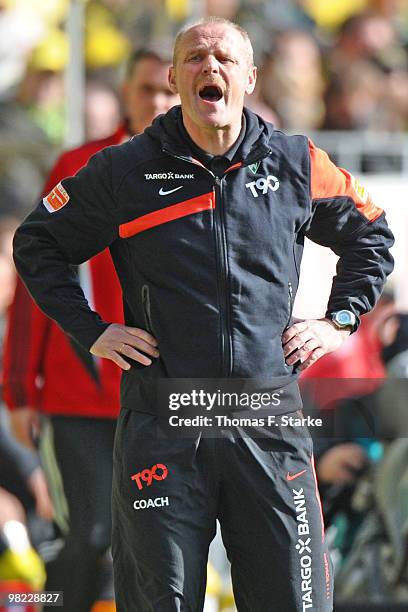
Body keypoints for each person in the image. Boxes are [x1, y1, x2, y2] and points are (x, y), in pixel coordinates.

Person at [12, 16, 394, 611]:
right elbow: (36, 245)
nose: (208, 67)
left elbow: (372, 237)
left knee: (297, 602)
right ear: (173, 77)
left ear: (249, 77)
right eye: (193, 58)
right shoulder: (124, 169)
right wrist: (93, 331)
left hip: (268, 427)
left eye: (223, 58)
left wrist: (337, 321)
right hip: (163, 429)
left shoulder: (295, 162)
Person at [4, 48, 178, 612]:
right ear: (125, 93)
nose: (156, 101)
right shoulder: (80, 165)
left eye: (167, 90)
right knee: (90, 535)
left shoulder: (206, 169)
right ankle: (50, 604)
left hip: (165, 397)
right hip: (80, 392)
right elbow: (35, 281)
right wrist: (20, 388)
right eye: (146, 88)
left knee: (155, 542)